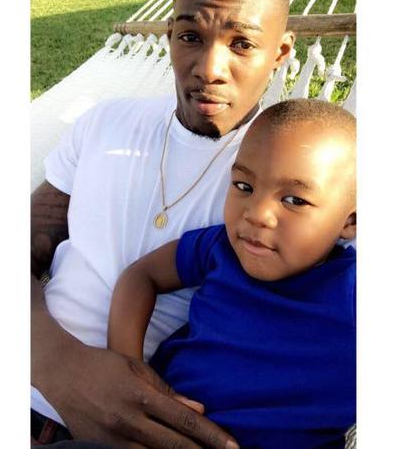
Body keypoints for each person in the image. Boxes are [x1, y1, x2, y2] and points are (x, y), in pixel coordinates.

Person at [31, 0, 295, 447]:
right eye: (190, 36)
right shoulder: (106, 122)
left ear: (281, 52)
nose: (209, 68)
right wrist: (54, 361)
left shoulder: (289, 181)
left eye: (242, 44)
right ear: (170, 35)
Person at [107, 99, 356, 448]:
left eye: (294, 200)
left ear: (351, 221)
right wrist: (127, 374)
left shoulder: (352, 293)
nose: (257, 214)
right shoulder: (222, 247)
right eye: (243, 186)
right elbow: (140, 276)